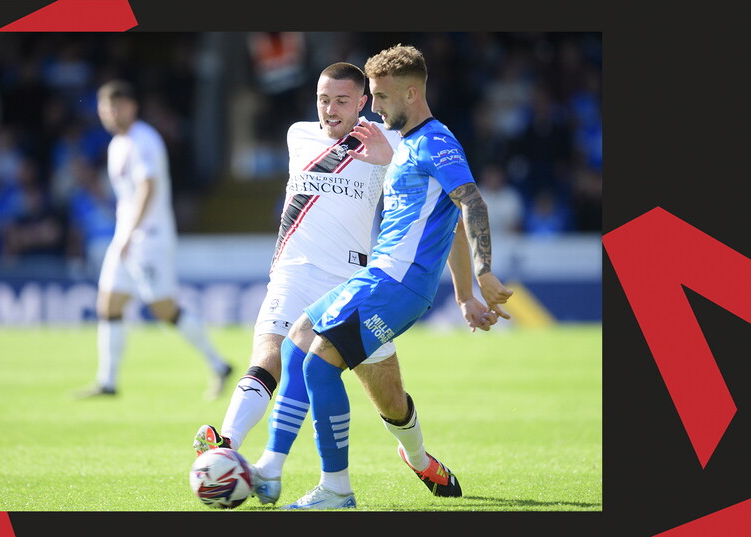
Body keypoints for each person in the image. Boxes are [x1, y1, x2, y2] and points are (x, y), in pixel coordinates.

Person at [193, 61, 504, 507]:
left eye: (356, 100)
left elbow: (462, 206)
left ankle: (395, 466)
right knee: (291, 345)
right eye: (324, 99)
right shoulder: (302, 137)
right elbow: (448, 214)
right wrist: (466, 292)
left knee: (381, 395)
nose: (339, 109)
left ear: (368, 102)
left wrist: (476, 279)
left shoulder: (407, 141)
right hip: (330, 274)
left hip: (375, 279)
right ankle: (264, 465)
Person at [278, 44, 514, 509]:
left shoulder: (436, 142)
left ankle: (336, 490)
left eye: (381, 97)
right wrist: (464, 295)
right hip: (383, 277)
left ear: (410, 93)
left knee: (317, 367)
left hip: (396, 284)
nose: (376, 106)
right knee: (299, 335)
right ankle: (413, 459)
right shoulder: (404, 145)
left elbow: (471, 202)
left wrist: (484, 272)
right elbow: (446, 228)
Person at [77, 80, 232, 400]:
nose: (110, 113)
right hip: (127, 234)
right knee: (109, 302)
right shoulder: (117, 144)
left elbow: (147, 187)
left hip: (148, 237)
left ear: (132, 107)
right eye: (105, 108)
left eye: (116, 106)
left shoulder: (143, 140)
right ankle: (107, 381)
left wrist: (130, 231)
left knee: (163, 308)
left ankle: (219, 365)